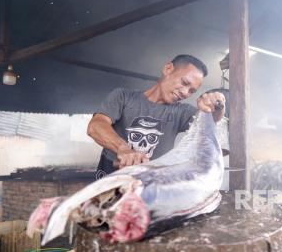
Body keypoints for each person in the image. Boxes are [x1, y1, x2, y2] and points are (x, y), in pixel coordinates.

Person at [87, 54, 226, 176]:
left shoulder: (181, 112)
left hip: (151, 188)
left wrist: (217, 105)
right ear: (168, 69)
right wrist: (123, 149)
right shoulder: (123, 97)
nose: (185, 93)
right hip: (109, 183)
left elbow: (211, 120)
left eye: (191, 91)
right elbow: (96, 126)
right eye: (184, 83)